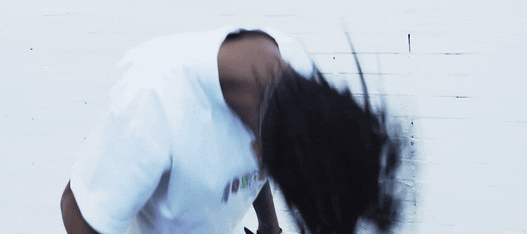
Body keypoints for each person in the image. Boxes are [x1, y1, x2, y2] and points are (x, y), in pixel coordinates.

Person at [60, 26, 402, 234]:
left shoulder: (294, 76)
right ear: (258, 147)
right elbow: (77, 209)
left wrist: (269, 224)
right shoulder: (151, 104)